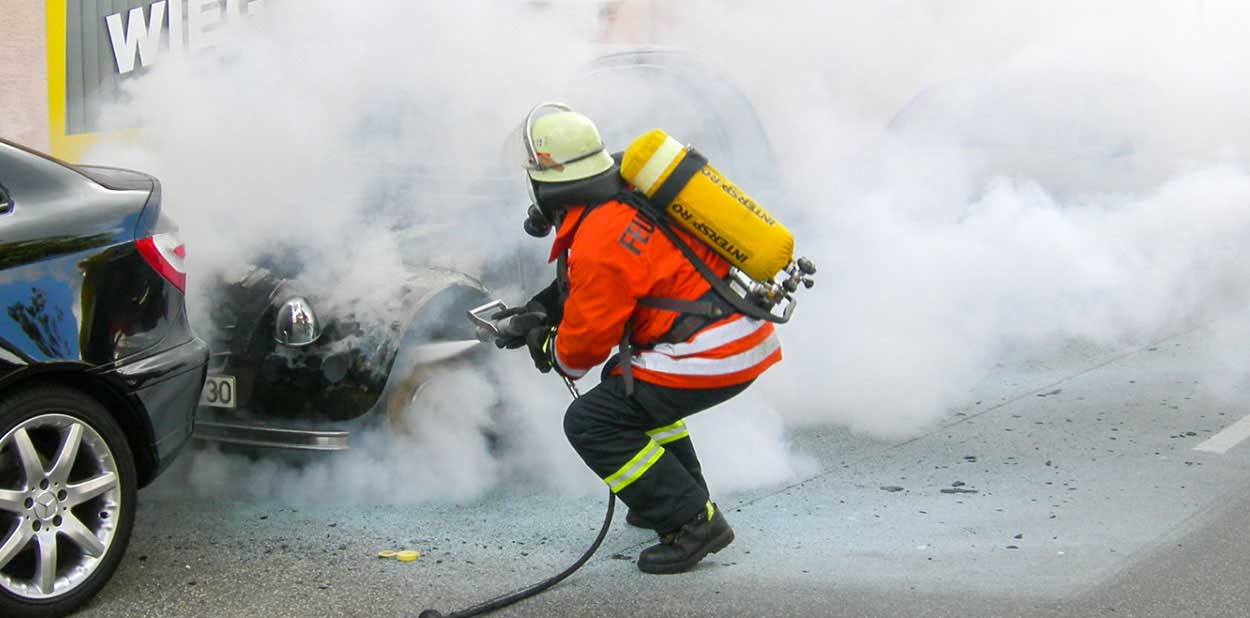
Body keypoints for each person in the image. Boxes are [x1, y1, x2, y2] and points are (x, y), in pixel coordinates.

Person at [496, 102, 782, 574]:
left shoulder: (600, 238)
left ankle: (692, 522)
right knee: (625, 389)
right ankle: (672, 493)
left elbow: (579, 351)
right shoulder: (623, 197)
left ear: (547, 179)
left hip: (713, 349)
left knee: (590, 421)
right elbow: (590, 285)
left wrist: (546, 344)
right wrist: (539, 311)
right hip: (736, 333)